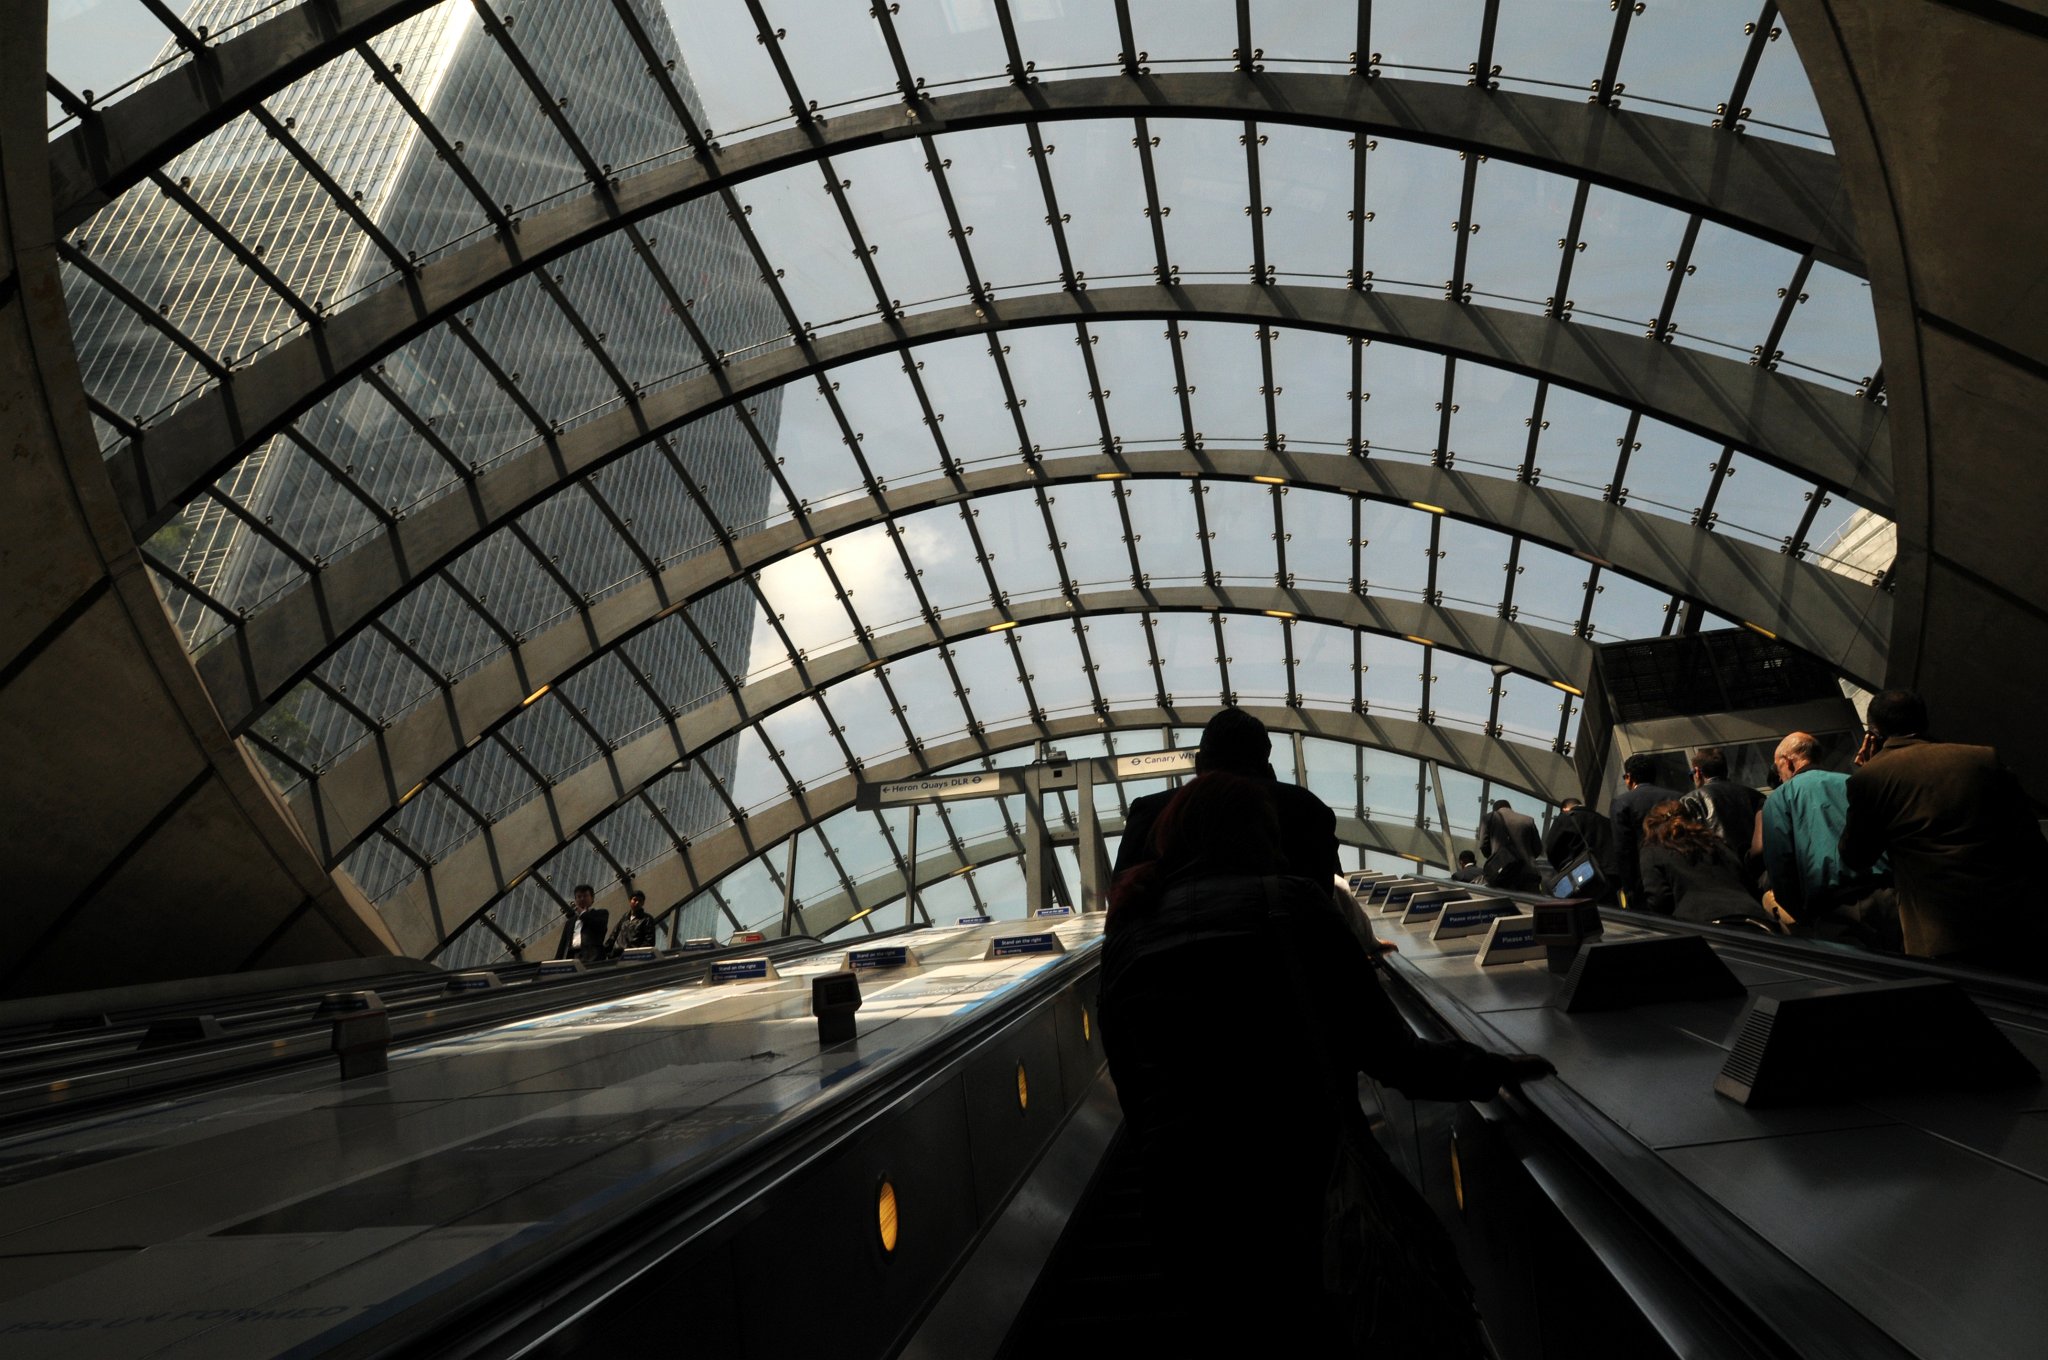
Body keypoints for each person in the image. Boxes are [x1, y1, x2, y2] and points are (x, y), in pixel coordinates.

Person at [1101, 771, 1551, 1351]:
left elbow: (1129, 1080)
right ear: (1256, 834)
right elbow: (1393, 1055)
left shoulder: (1131, 932)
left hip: (1182, 1207)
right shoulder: (1290, 905)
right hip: (1301, 1188)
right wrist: (1492, 1069)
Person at [1840, 690, 2048, 967]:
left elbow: (1856, 857)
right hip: (2018, 916)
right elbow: (2028, 834)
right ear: (1925, 720)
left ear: (1873, 733)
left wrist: (1870, 770)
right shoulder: (1983, 758)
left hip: (1942, 935)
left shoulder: (1869, 778)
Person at [1114, 708, 1339, 882]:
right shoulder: (1307, 810)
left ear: (1199, 764)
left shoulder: (1151, 812)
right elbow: (1327, 890)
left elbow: (1120, 900)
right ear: (1265, 764)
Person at [1758, 731, 1898, 949]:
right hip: (1889, 896)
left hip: (1835, 909)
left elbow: (1780, 864)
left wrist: (1803, 915)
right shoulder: (1852, 781)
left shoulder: (1780, 798)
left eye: (1779, 769)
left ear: (1788, 762)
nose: (1780, 776)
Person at [1639, 801, 1770, 927]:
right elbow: (1744, 878)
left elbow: (1659, 900)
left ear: (1651, 826)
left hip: (1702, 925)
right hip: (1755, 918)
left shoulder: (1651, 851)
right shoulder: (1714, 841)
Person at [1611, 753, 1685, 908]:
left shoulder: (1622, 802)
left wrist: (1629, 888)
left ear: (1629, 777)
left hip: (1645, 879)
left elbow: (1623, 849)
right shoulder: (1678, 797)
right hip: (1681, 870)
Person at [1681, 746, 1766, 868]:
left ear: (1697, 772)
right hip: (1757, 869)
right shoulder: (1755, 796)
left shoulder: (1690, 800)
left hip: (1720, 871)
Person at [1542, 797, 1616, 879]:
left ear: (1565, 809)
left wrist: (1561, 868)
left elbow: (1550, 848)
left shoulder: (1565, 818)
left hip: (1579, 876)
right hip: (1611, 876)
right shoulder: (1607, 822)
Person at [1478, 799, 1541, 889]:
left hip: (1502, 874)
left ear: (1495, 809)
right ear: (1510, 808)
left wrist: (1497, 859)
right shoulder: (1528, 820)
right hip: (1527, 874)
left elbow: (1484, 845)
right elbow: (1537, 848)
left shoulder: (1489, 817)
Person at [554, 883, 610, 964]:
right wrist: (557, 962)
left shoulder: (601, 914)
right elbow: (562, 944)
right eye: (579, 897)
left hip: (592, 958)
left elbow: (599, 927)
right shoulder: (570, 922)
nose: (582, 899)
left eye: (585, 896)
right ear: (575, 900)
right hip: (573, 957)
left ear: (592, 898)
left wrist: (583, 914)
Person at [608, 890, 658, 955]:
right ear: (630, 901)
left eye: (640, 901)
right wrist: (606, 951)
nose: (637, 902)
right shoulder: (625, 918)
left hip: (631, 957)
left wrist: (636, 954)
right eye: (635, 900)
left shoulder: (647, 919)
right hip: (616, 955)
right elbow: (614, 935)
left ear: (643, 903)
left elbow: (649, 941)